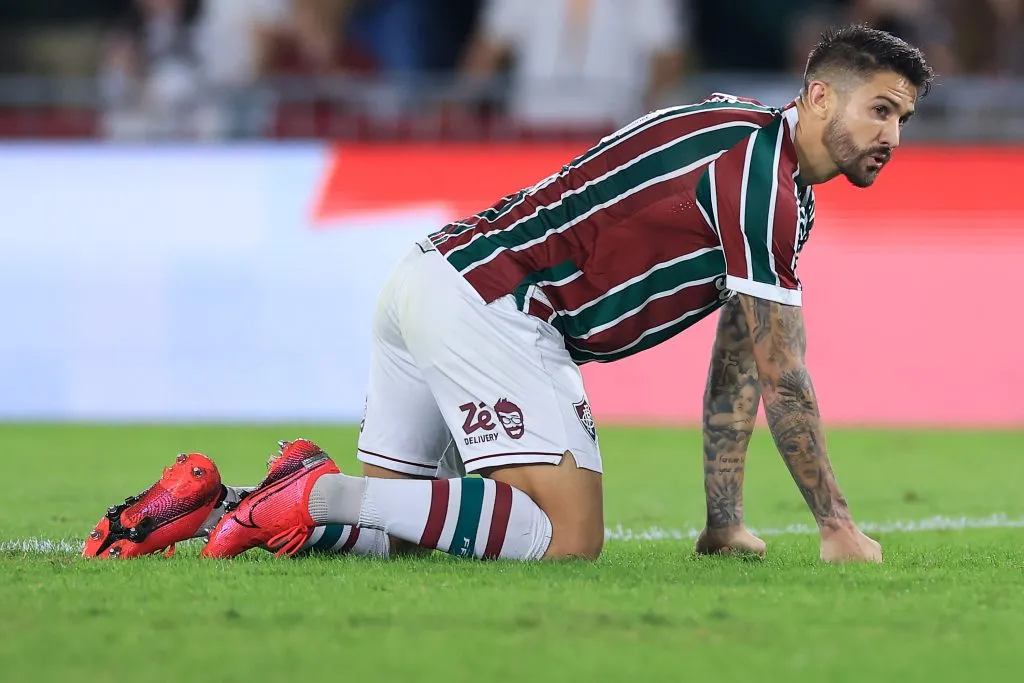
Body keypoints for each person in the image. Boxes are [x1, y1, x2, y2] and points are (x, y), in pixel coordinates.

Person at [84, 24, 932, 564]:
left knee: (395, 538)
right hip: (499, 307)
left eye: (903, 119)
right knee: (567, 537)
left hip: (432, 275)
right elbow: (784, 376)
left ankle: (206, 503)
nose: (892, 135)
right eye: (880, 110)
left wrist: (722, 518)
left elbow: (740, 359)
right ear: (819, 94)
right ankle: (313, 484)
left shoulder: (749, 147)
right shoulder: (766, 182)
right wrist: (836, 525)